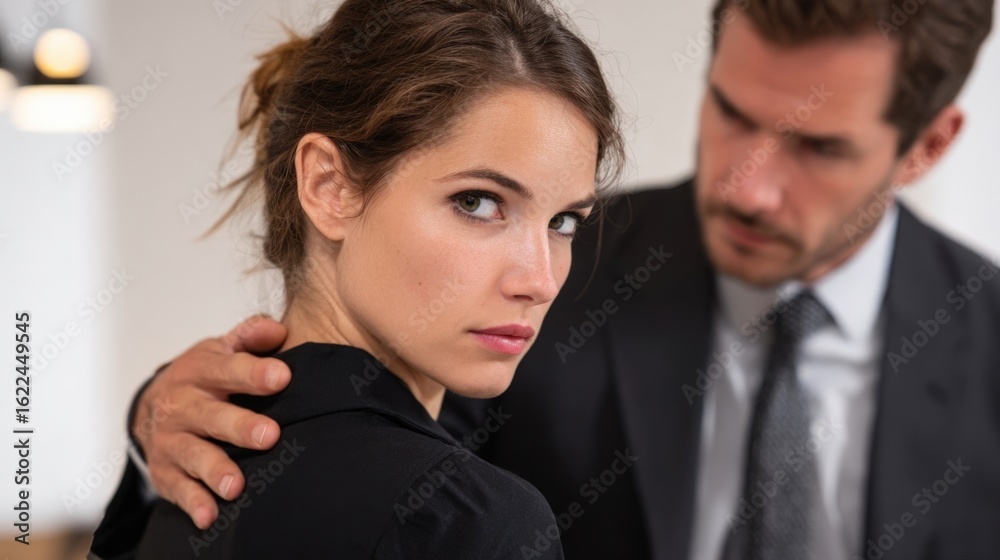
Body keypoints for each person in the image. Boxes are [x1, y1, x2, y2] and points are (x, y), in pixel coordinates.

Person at [96, 0, 1000, 559]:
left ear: (927, 146)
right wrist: (157, 426)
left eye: (817, 147)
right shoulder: (573, 269)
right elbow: (356, 440)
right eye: (732, 112)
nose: (746, 185)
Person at [89, 0, 627, 558]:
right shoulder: (466, 520)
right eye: (477, 202)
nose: (539, 280)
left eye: (564, 222)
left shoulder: (176, 481)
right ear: (329, 187)